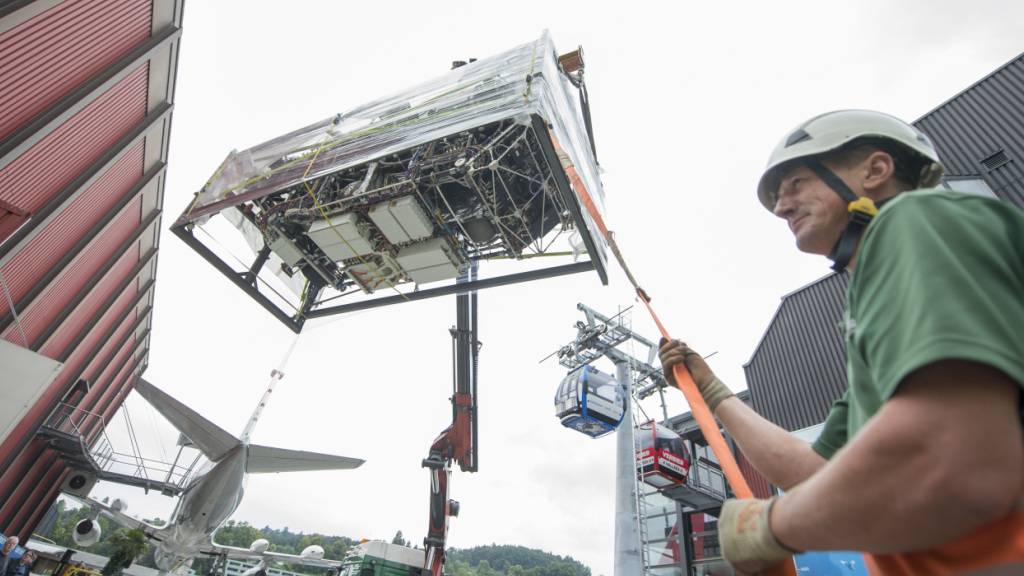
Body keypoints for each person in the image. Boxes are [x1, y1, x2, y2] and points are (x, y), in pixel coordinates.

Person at [660, 109, 1024, 575]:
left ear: (876, 171)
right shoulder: (883, 333)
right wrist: (713, 393)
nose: (781, 207)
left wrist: (770, 527)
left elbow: (954, 456)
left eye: (795, 183)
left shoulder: (913, 219)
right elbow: (813, 473)